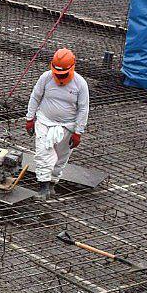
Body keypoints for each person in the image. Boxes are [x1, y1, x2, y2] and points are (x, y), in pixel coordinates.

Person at [25, 48, 89, 200]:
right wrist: (29, 119)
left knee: (61, 157)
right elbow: (35, 97)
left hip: (67, 126)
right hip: (44, 122)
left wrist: (78, 132)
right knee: (43, 154)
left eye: (63, 74)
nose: (60, 77)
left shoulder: (80, 84)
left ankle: (52, 183)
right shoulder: (46, 78)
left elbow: (83, 109)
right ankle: (43, 186)